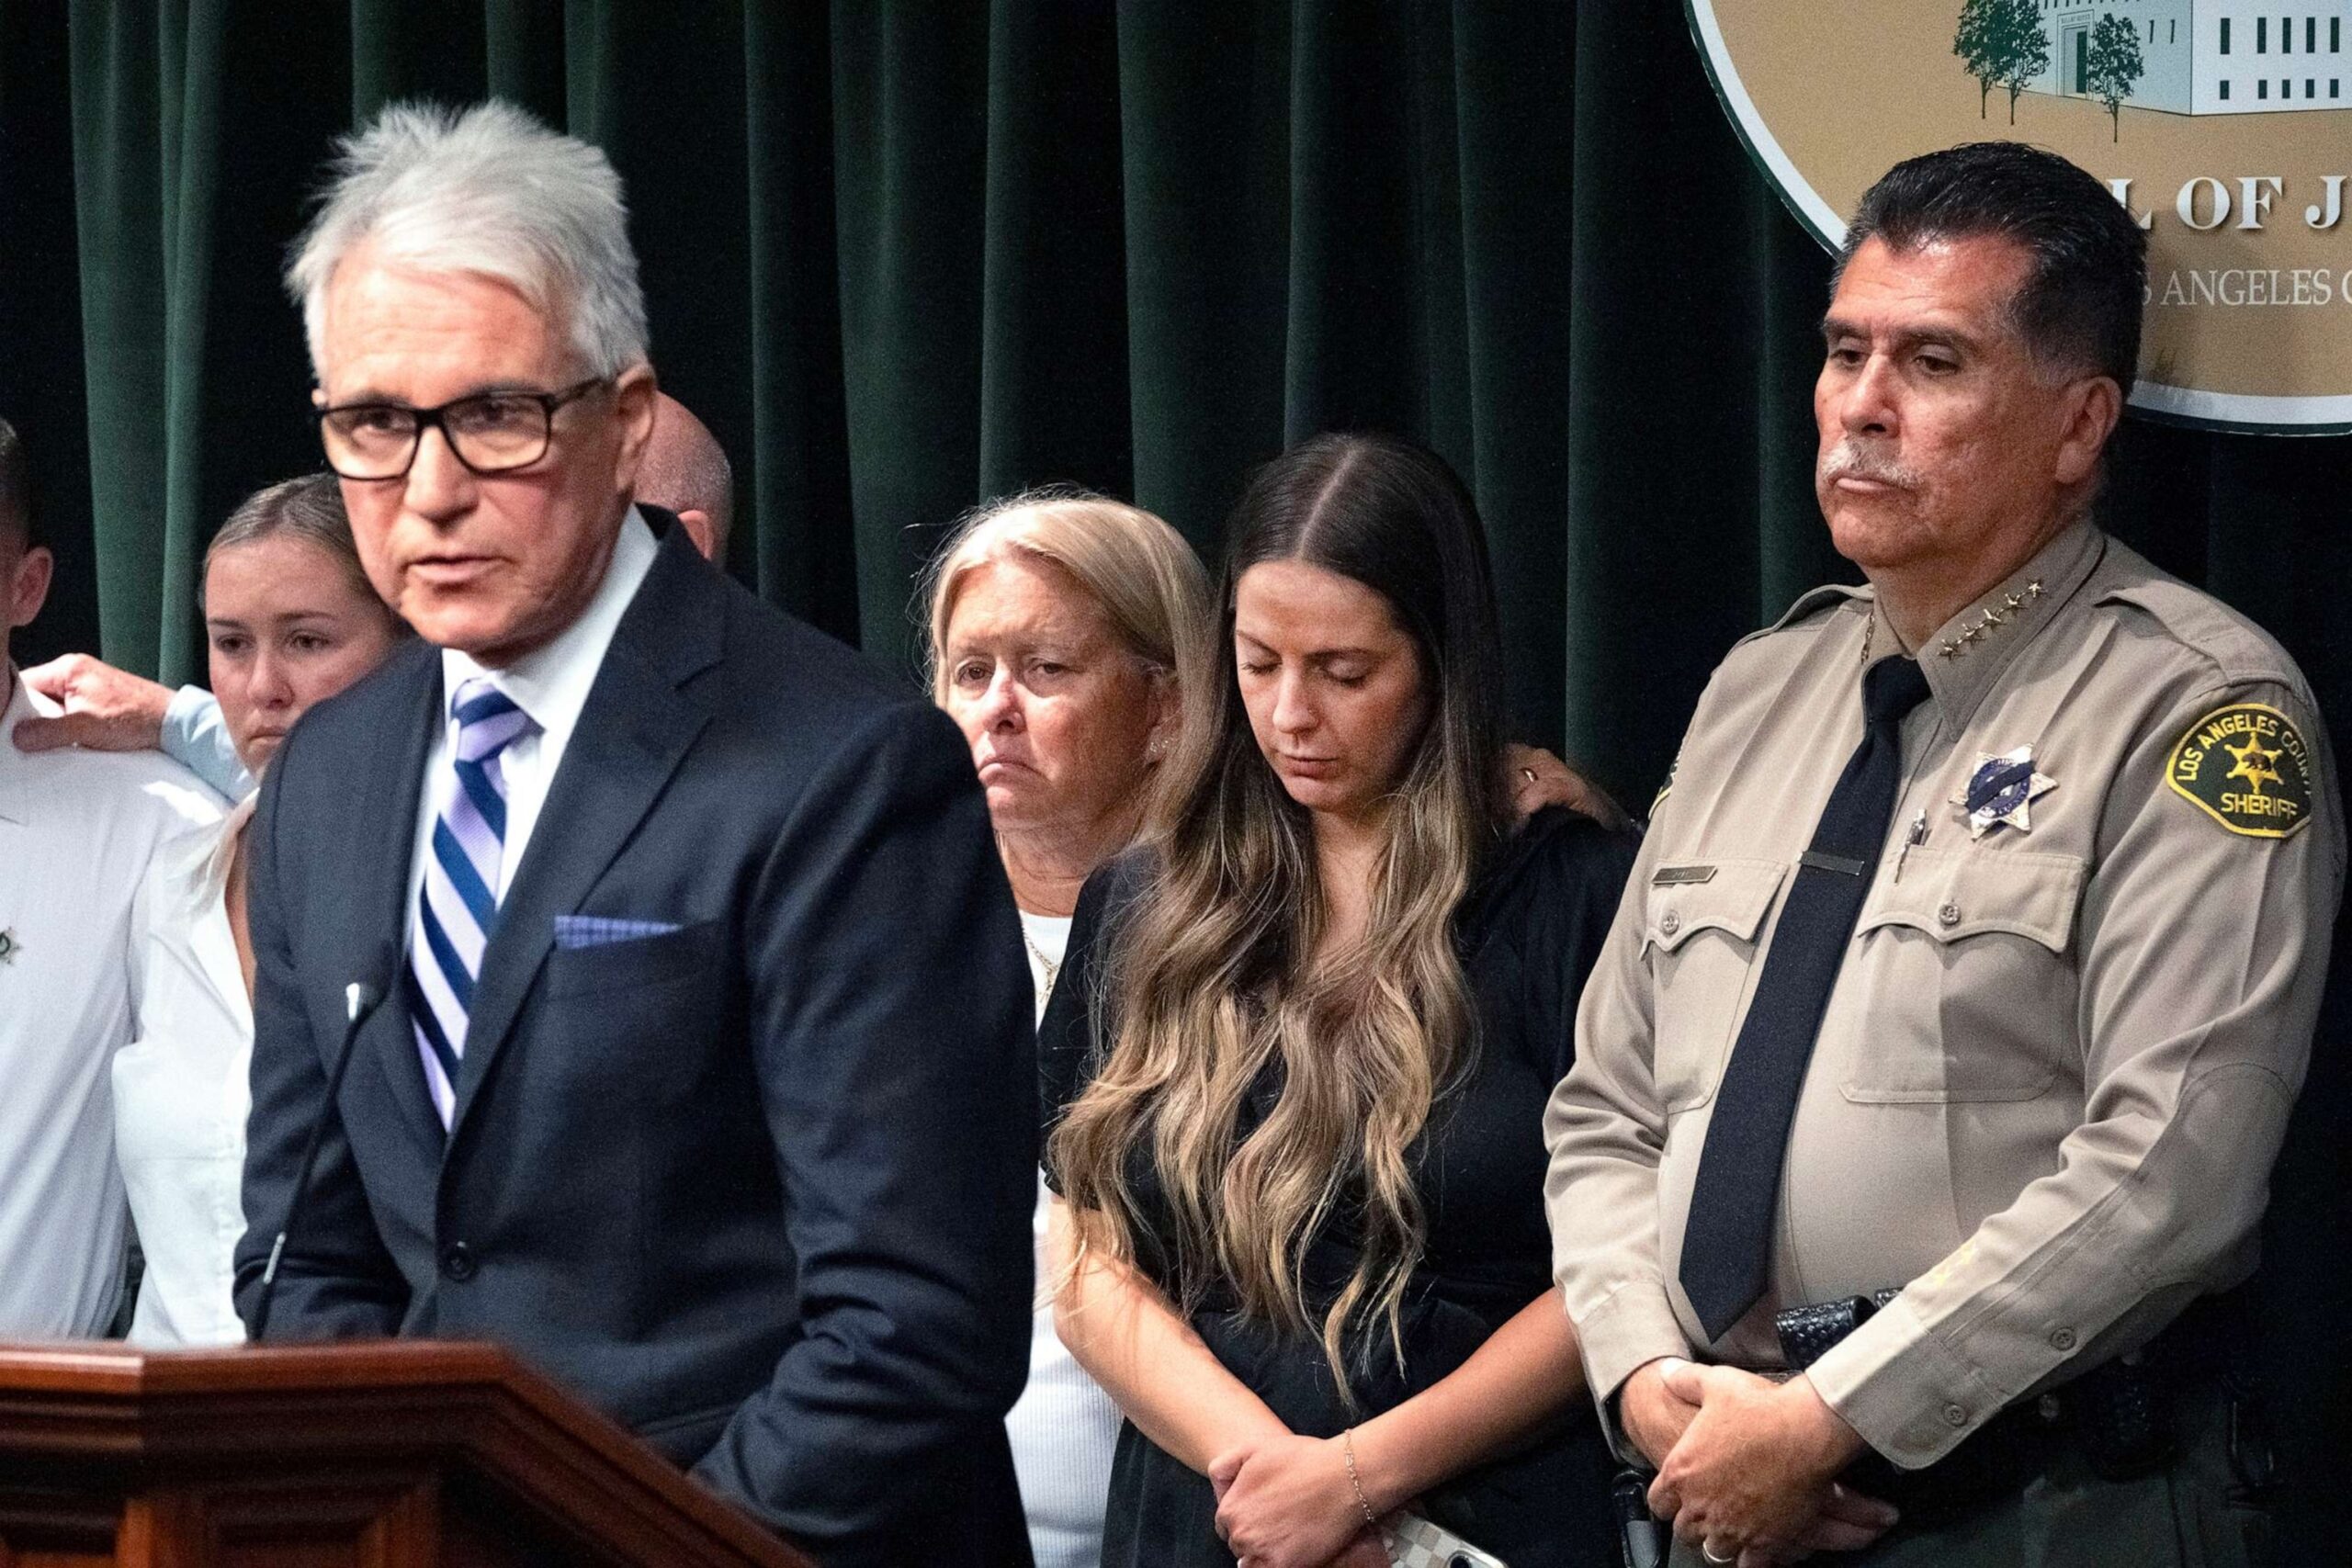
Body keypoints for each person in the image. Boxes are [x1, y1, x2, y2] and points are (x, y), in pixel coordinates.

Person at [231, 100, 1035, 1568]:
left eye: (493, 415)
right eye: (372, 425)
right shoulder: (329, 772)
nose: (428, 491)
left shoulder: (846, 768)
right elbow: (309, 1255)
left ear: (627, 417)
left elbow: (914, 1328)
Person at [1544, 141, 2343, 1568]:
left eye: (1932, 362)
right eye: (1846, 350)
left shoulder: (2199, 706)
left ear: (2079, 424)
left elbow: (2176, 1162)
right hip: (1712, 1485)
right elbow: (1607, 1105)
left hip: (2038, 1505)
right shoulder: (1756, 688)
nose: (1859, 406)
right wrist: (1640, 1377)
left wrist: (1836, 1414)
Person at [1040, 432, 1636, 1568]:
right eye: (1258, 663)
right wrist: (1278, 1489)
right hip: (1208, 1517)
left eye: (1346, 672)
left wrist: (1358, 1484)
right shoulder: (1143, 901)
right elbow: (1089, 1268)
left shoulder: (1572, 898)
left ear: (1442, 666)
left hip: (1477, 1519)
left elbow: (1622, 1267)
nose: (1292, 716)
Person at [923, 488, 1208, 1568]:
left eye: (1045, 670)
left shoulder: (1258, 938)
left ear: (1167, 708)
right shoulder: (880, 937)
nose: (997, 708)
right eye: (969, 671)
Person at [9, 389, 735, 801]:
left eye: (550, 518)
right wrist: (174, 718)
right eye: (231, 641)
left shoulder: (782, 769)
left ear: (685, 546)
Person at [114, 475, 407, 1346]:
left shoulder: (456, 888)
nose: (263, 686)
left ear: (408, 643)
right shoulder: (167, 881)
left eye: (308, 640)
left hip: (370, 1434)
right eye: (230, 643)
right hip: (158, 1442)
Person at [0, 415, 223, 1336]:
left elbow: (351, 859)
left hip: (42, 1454)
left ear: (27, 585)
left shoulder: (154, 824)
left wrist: (183, 723)